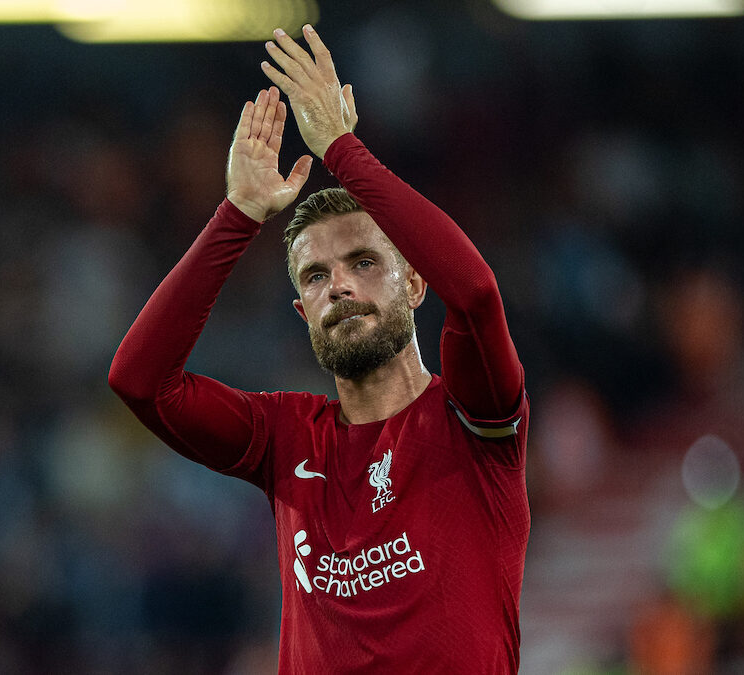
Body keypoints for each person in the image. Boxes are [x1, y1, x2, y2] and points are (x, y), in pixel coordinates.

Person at [109, 25, 530, 673]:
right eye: (316, 275)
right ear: (303, 312)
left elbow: (474, 294)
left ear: (416, 281)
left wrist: (340, 145)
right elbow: (140, 380)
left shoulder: (474, 421)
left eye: (364, 261)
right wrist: (240, 212)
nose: (339, 284)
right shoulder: (286, 437)